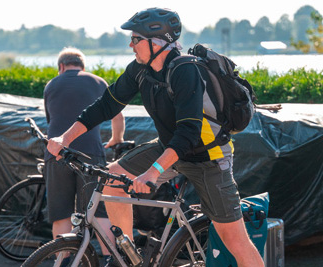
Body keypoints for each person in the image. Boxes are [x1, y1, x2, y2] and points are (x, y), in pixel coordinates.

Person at [47, 8, 264, 267]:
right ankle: (127, 259)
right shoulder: (140, 70)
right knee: (114, 179)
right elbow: (107, 105)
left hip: (208, 157)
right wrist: (65, 138)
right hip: (169, 148)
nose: (131, 44)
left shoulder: (185, 70)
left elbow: (188, 133)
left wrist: (152, 172)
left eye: (136, 39)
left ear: (157, 42)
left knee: (235, 239)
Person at [43, 47, 124, 264]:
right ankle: (111, 260)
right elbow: (118, 117)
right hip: (91, 154)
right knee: (99, 213)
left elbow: (51, 120)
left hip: (57, 154)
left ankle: (63, 262)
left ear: (61, 67)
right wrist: (116, 139)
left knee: (61, 214)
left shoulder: (51, 85)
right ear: (83, 67)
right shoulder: (98, 82)